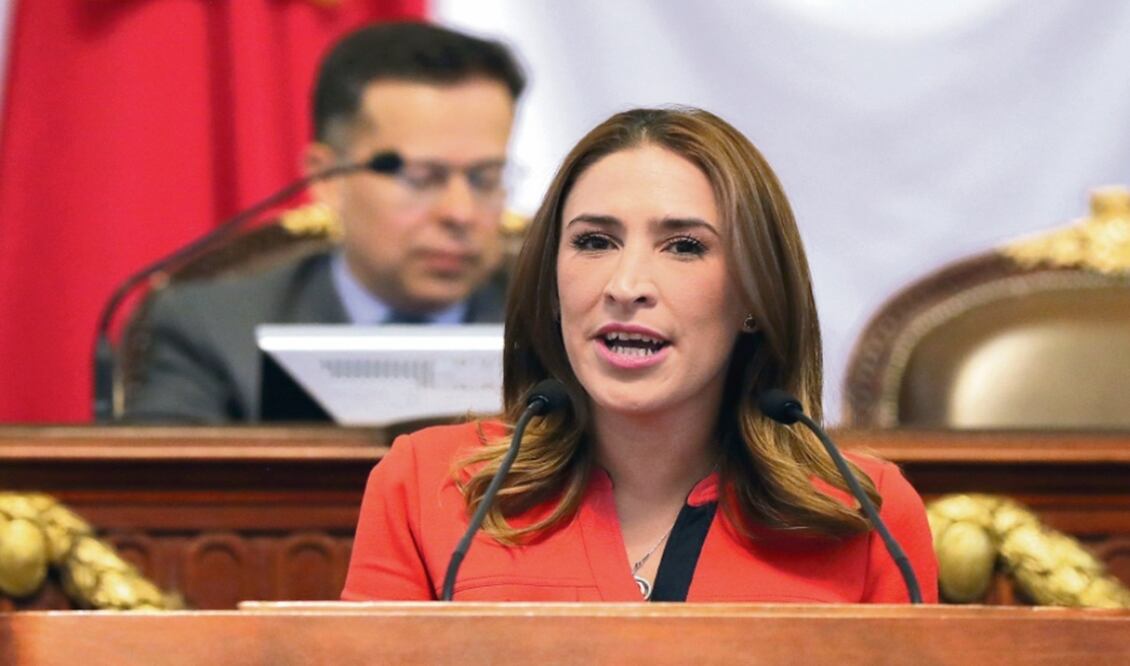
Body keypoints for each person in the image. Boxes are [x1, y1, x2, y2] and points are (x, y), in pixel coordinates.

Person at [341, 107, 938, 602]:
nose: (627, 285)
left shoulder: (864, 514)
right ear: (551, 286)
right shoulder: (430, 486)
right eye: (594, 242)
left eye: (683, 246)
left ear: (755, 294)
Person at [125, 22, 526, 423]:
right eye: (420, 178)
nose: (460, 213)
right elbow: (161, 483)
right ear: (327, 178)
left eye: (484, 178)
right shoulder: (213, 328)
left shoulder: (555, 326)